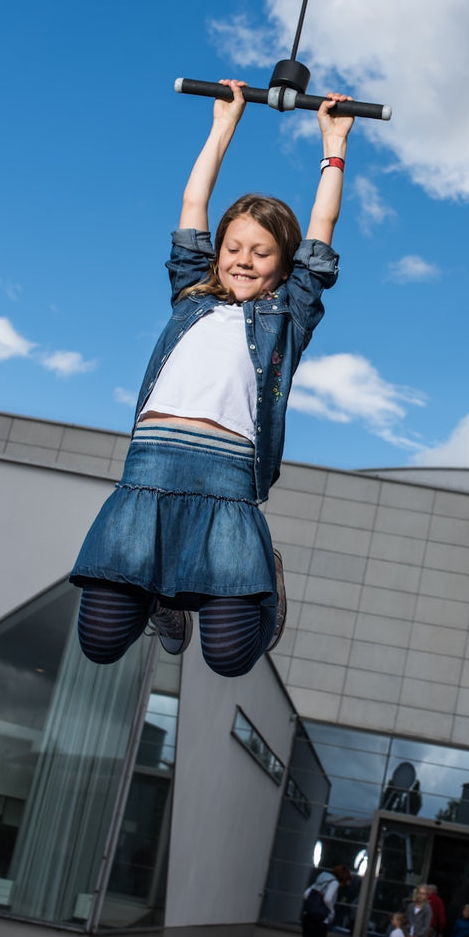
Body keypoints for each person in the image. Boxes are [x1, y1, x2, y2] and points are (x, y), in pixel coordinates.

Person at [71, 78, 354, 677]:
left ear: (283, 266)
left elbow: (323, 230)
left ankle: (260, 582)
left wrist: (334, 146)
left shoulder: (288, 315)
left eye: (261, 252)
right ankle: (163, 599)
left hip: (226, 483)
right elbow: (192, 207)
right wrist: (224, 124)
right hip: (149, 471)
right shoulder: (190, 297)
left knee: (227, 659)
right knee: (98, 641)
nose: (243, 259)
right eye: (233, 247)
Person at [301, 864, 352, 937]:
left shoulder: (321, 878)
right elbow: (327, 899)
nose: (342, 886)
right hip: (321, 920)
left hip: (308, 916)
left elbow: (306, 894)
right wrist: (332, 911)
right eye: (344, 883)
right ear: (342, 879)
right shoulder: (334, 883)